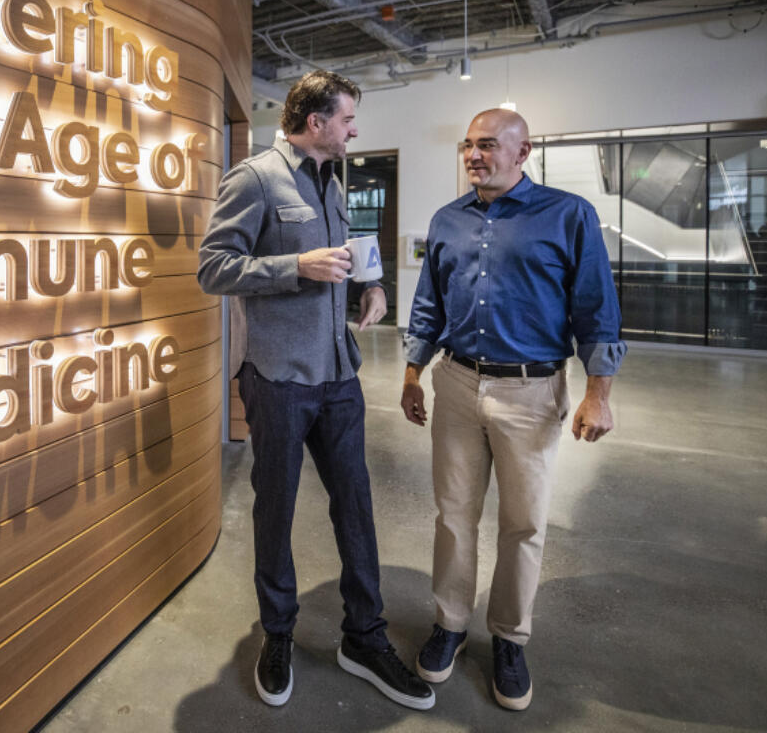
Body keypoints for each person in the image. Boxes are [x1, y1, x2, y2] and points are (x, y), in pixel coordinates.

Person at [198, 70, 434, 711]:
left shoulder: (333, 178)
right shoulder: (253, 179)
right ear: (314, 121)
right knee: (274, 511)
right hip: (278, 381)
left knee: (355, 507)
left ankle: (365, 636)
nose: (355, 130)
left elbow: (346, 252)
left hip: (339, 377)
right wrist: (291, 267)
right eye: (348, 118)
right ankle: (277, 635)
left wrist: (370, 287)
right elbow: (213, 268)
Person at [400, 108, 625, 712]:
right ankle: (450, 624)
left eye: (490, 145)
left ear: (524, 152)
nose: (475, 155)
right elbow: (428, 304)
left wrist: (598, 394)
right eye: (469, 145)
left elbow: (596, 309)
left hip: (532, 392)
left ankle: (508, 638)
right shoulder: (447, 220)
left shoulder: (567, 215)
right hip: (455, 384)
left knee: (523, 524)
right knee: (453, 515)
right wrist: (413, 374)